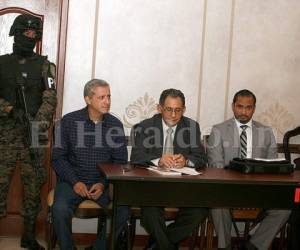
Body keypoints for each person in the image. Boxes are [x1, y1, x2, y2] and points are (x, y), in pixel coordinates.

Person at [207, 89, 291, 250]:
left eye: (249, 107)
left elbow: (273, 168)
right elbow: (216, 166)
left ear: (254, 108)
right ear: (233, 106)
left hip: (259, 190)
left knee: (285, 207)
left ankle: (253, 246)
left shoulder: (266, 132)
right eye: (240, 106)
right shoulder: (218, 130)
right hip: (228, 189)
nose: (244, 112)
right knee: (217, 205)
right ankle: (225, 246)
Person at [52, 79, 130, 250]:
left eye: (109, 96)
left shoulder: (115, 125)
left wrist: (103, 184)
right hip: (72, 181)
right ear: (88, 99)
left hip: (102, 182)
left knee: (123, 210)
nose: (107, 101)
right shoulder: (69, 121)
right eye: (101, 97)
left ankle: (97, 248)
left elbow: (120, 162)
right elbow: (58, 158)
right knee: (59, 209)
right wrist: (75, 182)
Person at [0, 14, 57, 250]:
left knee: (34, 187)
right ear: (16, 32)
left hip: (34, 132)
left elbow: (50, 98)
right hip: (5, 134)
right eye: (26, 33)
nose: (30, 37)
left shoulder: (46, 66)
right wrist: (7, 109)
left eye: (34, 34)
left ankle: (29, 236)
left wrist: (37, 124)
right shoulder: (1, 63)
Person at [130, 88, 208, 250]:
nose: (173, 115)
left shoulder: (191, 127)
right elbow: (136, 157)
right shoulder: (146, 126)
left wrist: (186, 160)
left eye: (178, 110)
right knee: (150, 212)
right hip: (153, 187)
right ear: (159, 108)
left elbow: (201, 159)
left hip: (183, 187)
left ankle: (156, 246)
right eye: (169, 109)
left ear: (184, 110)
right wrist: (158, 161)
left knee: (199, 210)